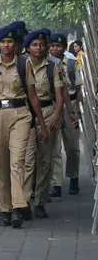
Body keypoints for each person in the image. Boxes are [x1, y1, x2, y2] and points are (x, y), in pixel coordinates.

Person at [0, 24, 48, 228]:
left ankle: (18, 206)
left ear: (16, 44)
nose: (6, 45)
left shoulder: (23, 64)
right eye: (3, 42)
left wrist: (41, 124)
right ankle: (5, 208)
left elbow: (33, 95)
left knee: (17, 161)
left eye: (10, 41)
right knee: (0, 164)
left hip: (21, 114)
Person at [22, 29, 64, 219]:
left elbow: (59, 94)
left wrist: (57, 114)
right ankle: (23, 201)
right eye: (34, 45)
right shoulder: (22, 65)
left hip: (47, 113)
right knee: (27, 161)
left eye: (41, 44)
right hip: (25, 115)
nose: (38, 48)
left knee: (45, 160)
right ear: (28, 47)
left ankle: (40, 201)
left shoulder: (52, 67)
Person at [49, 33, 82, 197]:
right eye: (52, 45)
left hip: (72, 105)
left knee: (72, 146)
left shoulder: (71, 63)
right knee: (54, 147)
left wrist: (78, 112)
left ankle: (74, 177)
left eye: (58, 46)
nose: (55, 48)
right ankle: (56, 183)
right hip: (53, 105)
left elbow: (78, 88)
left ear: (63, 47)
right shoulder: (46, 64)